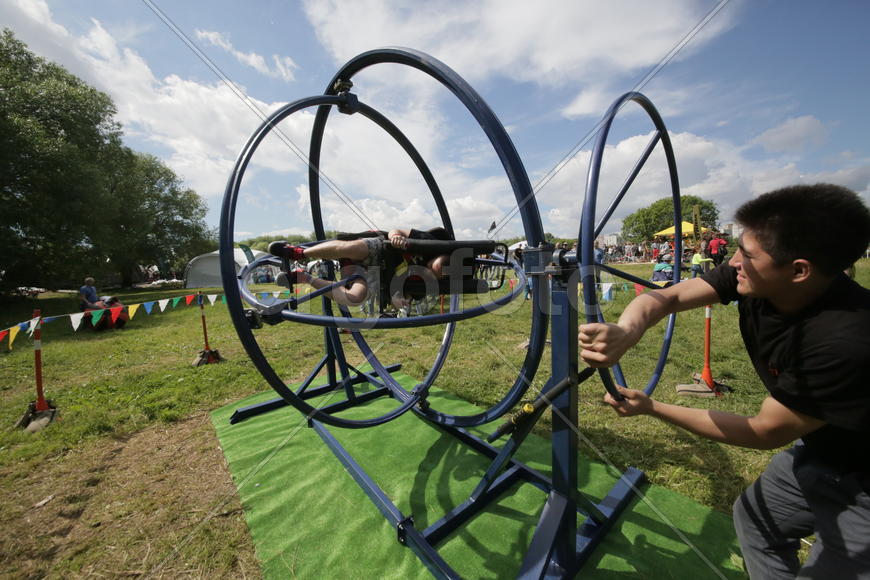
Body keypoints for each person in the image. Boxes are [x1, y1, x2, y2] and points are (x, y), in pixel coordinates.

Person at [578, 184, 870, 579]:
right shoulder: (757, 278)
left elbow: (764, 431)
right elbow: (666, 298)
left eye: (747, 255)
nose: (731, 262)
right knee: (756, 521)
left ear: (799, 270)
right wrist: (628, 330)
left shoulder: (845, 341)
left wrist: (652, 407)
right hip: (824, 449)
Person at [270, 227, 454, 310]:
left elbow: (405, 295)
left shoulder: (426, 282)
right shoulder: (429, 242)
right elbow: (397, 231)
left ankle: (303, 277)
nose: (435, 270)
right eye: (441, 264)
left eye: (438, 274)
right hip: (379, 249)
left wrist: (400, 300)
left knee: (355, 297)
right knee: (352, 247)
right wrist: (396, 236)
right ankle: (299, 253)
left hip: (375, 273)